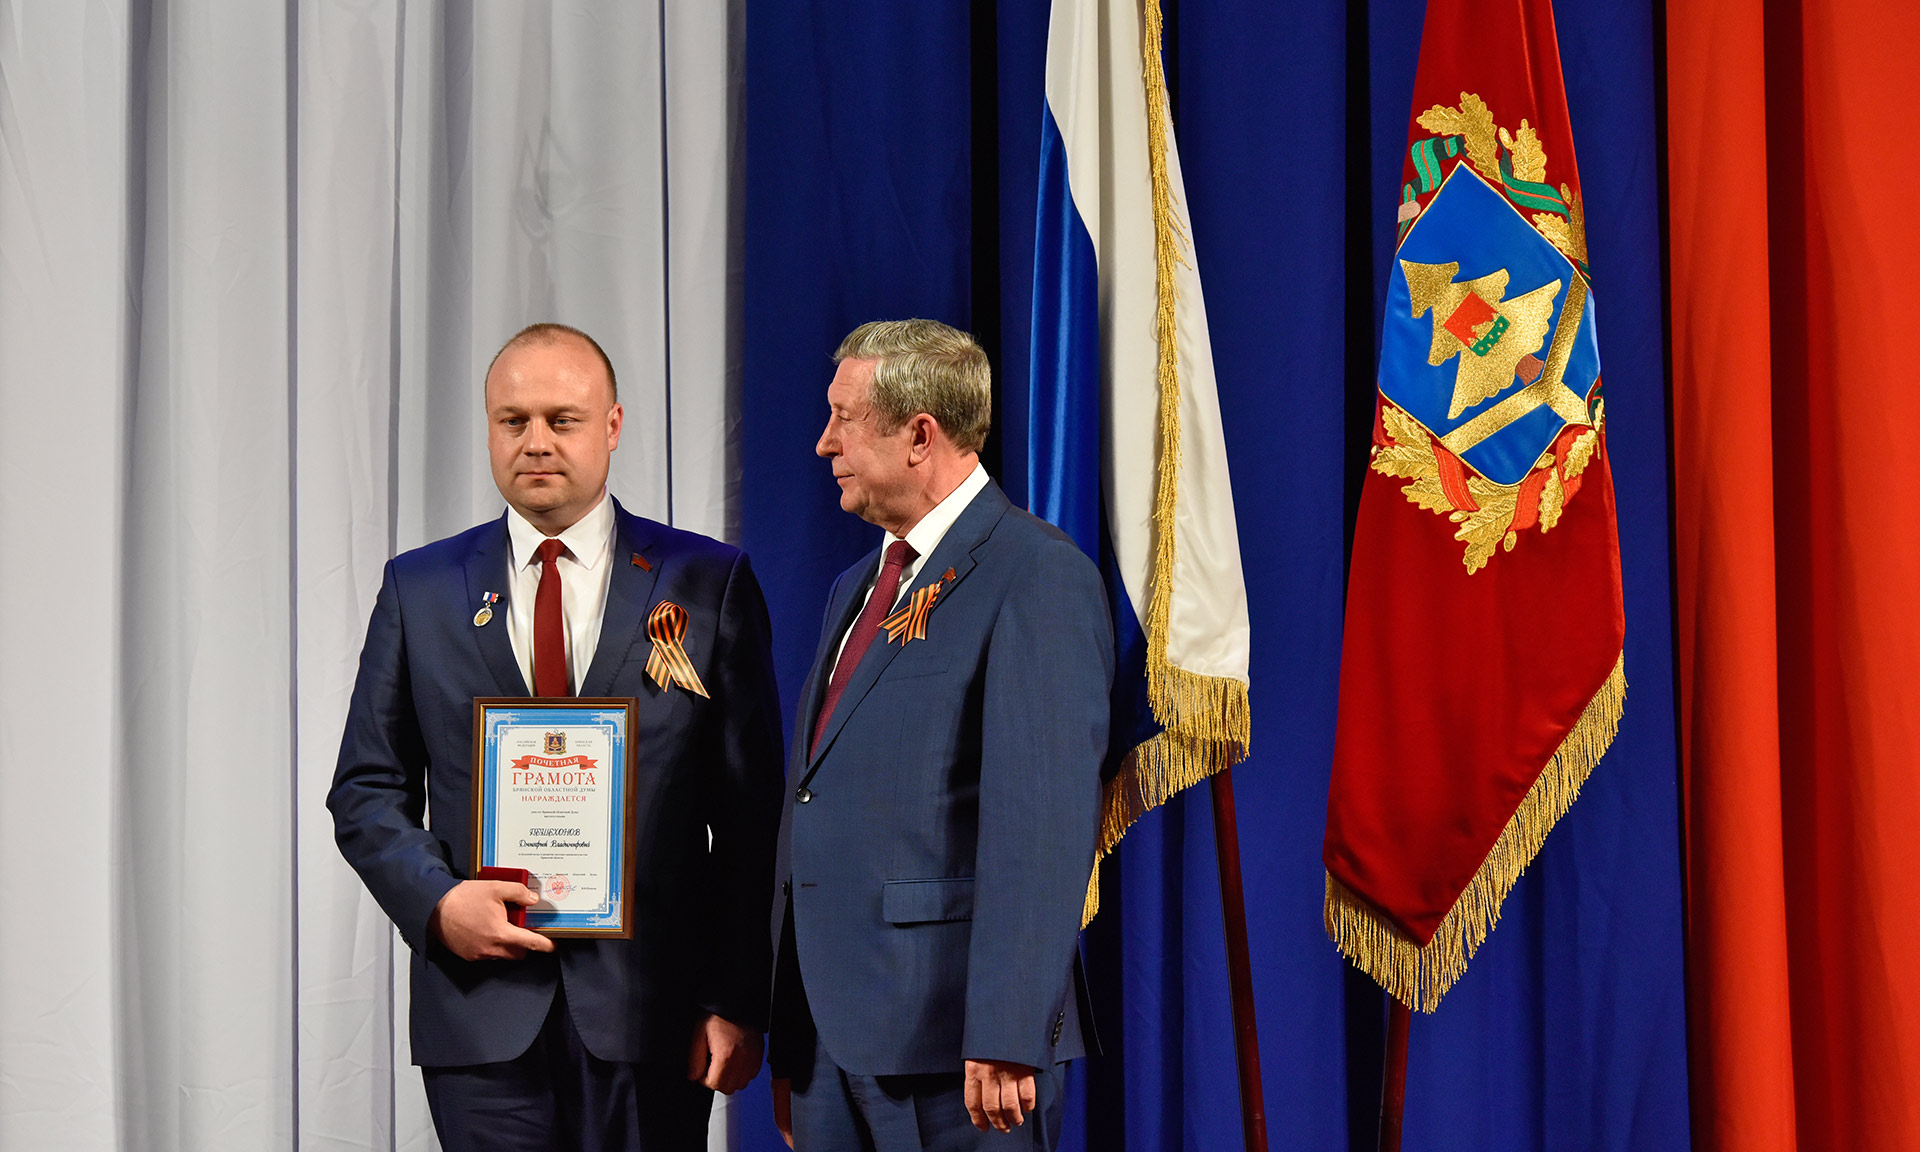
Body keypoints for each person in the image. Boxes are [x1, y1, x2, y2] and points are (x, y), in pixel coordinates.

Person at [328, 323, 784, 1150]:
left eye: (561, 420)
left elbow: (753, 817)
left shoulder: (707, 582)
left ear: (612, 426)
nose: (535, 441)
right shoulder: (418, 588)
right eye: (513, 420)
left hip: (657, 1011)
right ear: (489, 429)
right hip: (481, 1014)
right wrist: (439, 904)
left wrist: (735, 996)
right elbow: (366, 788)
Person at [769, 319, 1112, 1150]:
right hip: (829, 1041)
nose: (824, 443)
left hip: (960, 1052)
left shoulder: (1037, 573)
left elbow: (1043, 824)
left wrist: (1008, 1030)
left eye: (844, 418)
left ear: (920, 435)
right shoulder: (857, 584)